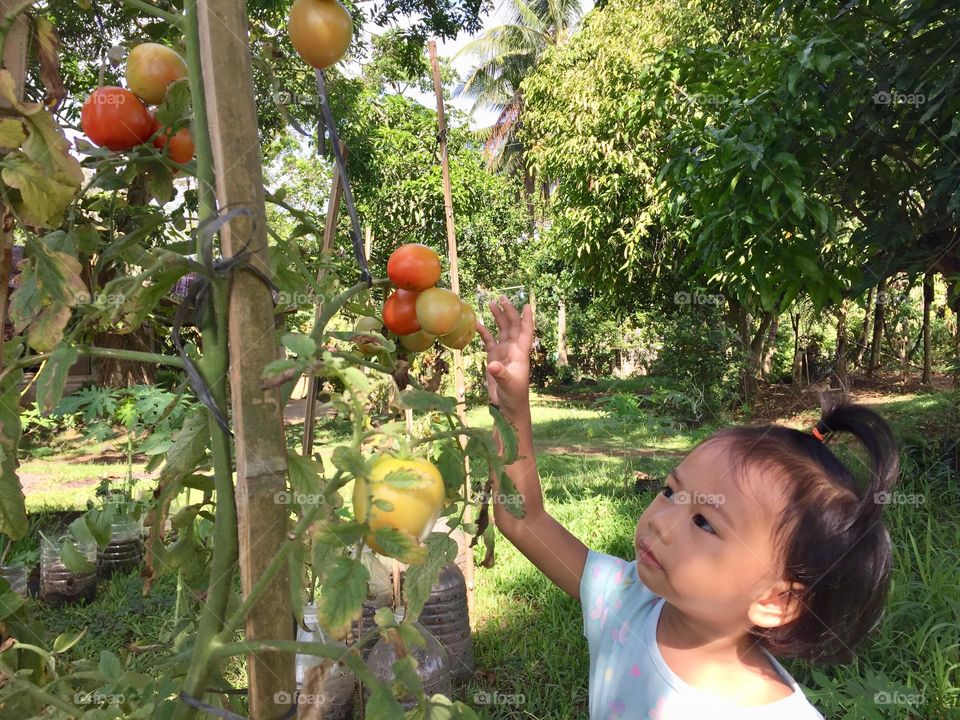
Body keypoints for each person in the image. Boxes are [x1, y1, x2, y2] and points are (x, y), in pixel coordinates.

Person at [477, 297, 900, 719]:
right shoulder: (627, 602)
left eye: (704, 522)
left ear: (776, 602)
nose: (661, 522)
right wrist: (511, 409)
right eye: (670, 492)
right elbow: (523, 519)